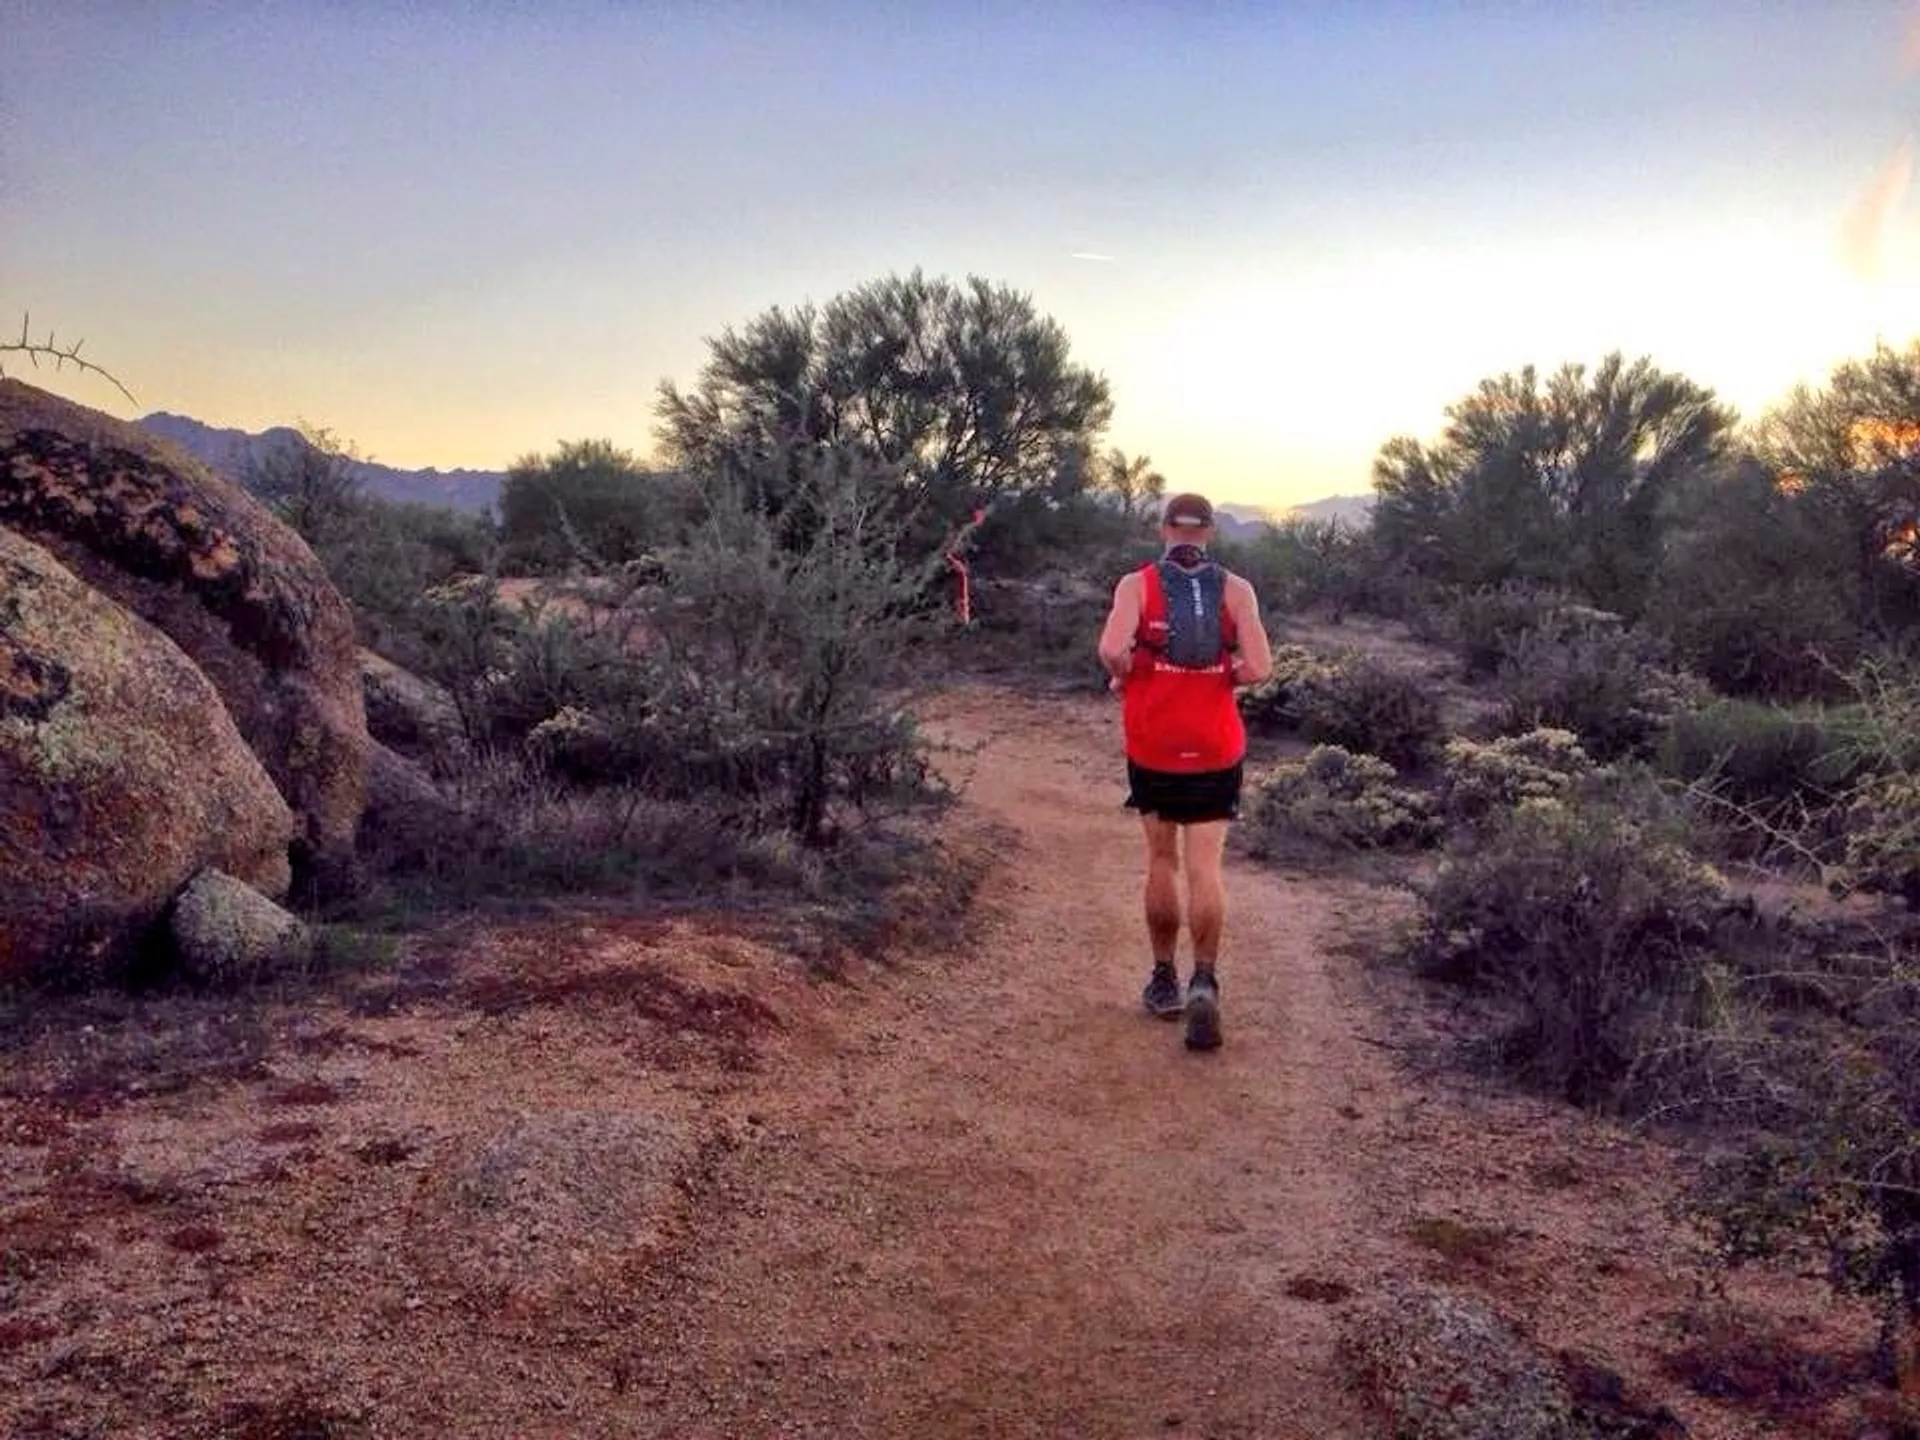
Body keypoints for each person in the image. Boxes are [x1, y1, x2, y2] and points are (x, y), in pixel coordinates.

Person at [1096, 493, 1274, 1050]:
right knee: (1205, 867)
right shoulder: (1237, 590)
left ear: (1164, 529)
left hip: (1154, 745)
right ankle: (1204, 979)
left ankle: (1163, 979)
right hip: (1215, 746)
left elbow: (1109, 648)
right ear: (1211, 534)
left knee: (1160, 858)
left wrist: (1127, 670)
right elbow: (1261, 669)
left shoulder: (1137, 584)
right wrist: (1224, 672)